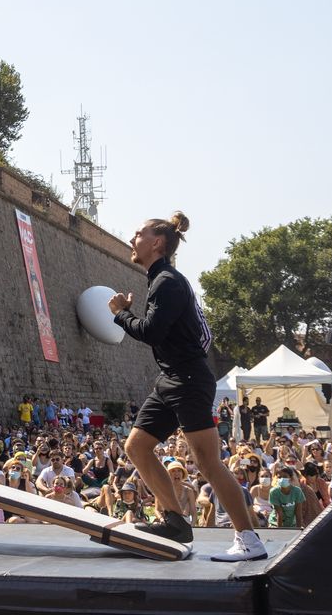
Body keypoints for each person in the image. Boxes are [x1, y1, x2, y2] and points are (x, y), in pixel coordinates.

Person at [108, 213, 267, 562]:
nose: (132, 239)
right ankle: (174, 521)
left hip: (189, 379)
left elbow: (152, 332)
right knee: (136, 447)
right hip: (171, 379)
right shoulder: (160, 280)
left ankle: (249, 539)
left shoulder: (167, 281)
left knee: (208, 463)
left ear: (157, 243)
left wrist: (120, 314)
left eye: (139, 234)